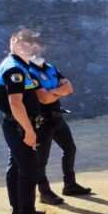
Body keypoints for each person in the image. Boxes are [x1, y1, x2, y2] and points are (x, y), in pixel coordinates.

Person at [0, 28, 58, 214]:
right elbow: (15, 103)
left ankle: (19, 210)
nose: (27, 47)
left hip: (17, 125)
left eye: (31, 44)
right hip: (19, 126)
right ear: (12, 41)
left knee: (16, 168)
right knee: (29, 170)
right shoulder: (14, 69)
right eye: (22, 43)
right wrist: (29, 131)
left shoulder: (21, 66)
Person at [27, 56, 91, 204]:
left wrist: (52, 92)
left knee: (70, 149)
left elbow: (70, 88)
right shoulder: (29, 72)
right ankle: (44, 193)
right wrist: (60, 91)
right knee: (41, 160)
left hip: (57, 117)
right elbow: (44, 99)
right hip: (42, 122)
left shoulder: (51, 67)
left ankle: (70, 185)